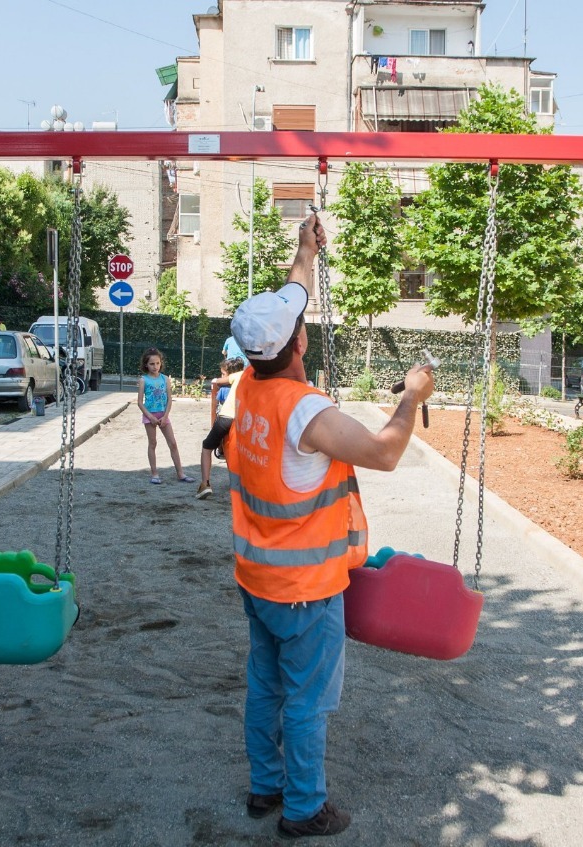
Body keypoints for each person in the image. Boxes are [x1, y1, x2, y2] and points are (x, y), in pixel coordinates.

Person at [225, 213, 434, 839]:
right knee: (309, 701)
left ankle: (267, 787)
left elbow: (293, 296)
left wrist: (304, 251)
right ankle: (304, 808)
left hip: (258, 578)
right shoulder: (305, 410)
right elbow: (386, 451)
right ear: (299, 344)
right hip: (308, 589)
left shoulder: (246, 390)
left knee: (265, 686)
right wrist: (410, 397)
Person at [136, 347, 193, 485]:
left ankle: (180, 473)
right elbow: (139, 402)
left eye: (157, 363)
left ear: (161, 363)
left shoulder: (165, 379)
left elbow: (169, 399)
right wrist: (150, 417)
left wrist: (165, 415)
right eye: (151, 364)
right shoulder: (144, 380)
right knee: (153, 443)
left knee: (173, 443)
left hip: (163, 415)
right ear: (146, 365)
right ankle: (154, 473)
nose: (155, 366)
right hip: (150, 416)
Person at [195, 356, 246, 500]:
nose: (222, 376)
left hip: (226, 418)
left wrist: (217, 379)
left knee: (207, 447)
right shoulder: (251, 376)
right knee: (236, 451)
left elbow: (217, 381)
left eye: (224, 373)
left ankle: (205, 484)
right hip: (243, 420)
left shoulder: (237, 375)